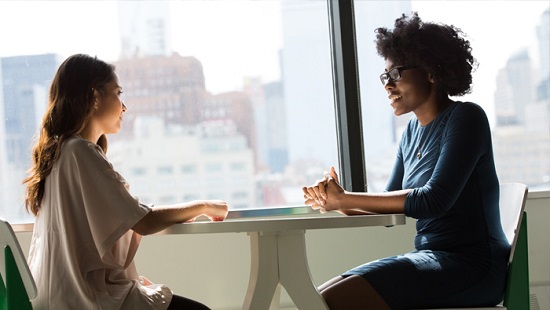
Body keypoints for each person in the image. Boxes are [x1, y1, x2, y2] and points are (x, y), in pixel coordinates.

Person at [302, 13, 510, 310]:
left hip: (473, 266)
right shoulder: (411, 133)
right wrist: (336, 201)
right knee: (315, 299)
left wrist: (345, 198)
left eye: (397, 73)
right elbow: (388, 210)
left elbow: (434, 200)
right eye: (385, 77)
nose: (388, 85)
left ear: (431, 72)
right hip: (430, 258)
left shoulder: (466, 118)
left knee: (333, 301)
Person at [23, 54, 229, 310]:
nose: (124, 106)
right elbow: (143, 221)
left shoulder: (57, 154)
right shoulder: (80, 152)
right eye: (118, 93)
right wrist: (204, 206)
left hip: (55, 300)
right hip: (86, 300)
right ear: (94, 96)